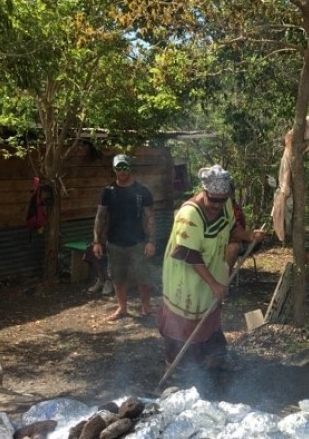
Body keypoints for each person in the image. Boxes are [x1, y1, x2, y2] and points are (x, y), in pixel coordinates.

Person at [159, 164, 247, 371]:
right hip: (186, 279)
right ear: (204, 191)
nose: (217, 205)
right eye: (213, 199)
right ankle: (176, 369)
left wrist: (249, 235)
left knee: (208, 316)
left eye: (222, 199)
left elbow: (231, 229)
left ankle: (212, 363)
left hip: (210, 273)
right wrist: (214, 284)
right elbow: (186, 252)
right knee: (183, 324)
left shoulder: (225, 204)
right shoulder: (190, 214)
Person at [92, 154, 156, 320]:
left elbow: (149, 217)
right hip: (114, 242)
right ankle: (122, 308)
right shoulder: (108, 191)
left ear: (130, 168)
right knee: (118, 277)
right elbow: (100, 216)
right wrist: (97, 241)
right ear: (114, 169)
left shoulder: (142, 191)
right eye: (118, 167)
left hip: (138, 242)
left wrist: (151, 241)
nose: (122, 171)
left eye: (125, 167)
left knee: (143, 276)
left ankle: (146, 307)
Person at [225, 181, 265, 273]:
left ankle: (222, 278)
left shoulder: (235, 211)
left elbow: (236, 234)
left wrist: (250, 235)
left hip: (235, 242)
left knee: (232, 248)